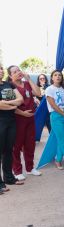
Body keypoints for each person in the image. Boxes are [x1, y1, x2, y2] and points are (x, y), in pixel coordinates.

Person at [8, 65, 42, 180]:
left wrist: (29, 79)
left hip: (30, 119)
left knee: (30, 144)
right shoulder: (10, 87)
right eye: (15, 71)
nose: (18, 72)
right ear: (10, 75)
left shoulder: (27, 84)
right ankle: (17, 171)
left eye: (19, 70)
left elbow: (38, 93)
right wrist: (23, 113)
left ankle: (30, 168)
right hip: (18, 119)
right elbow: (9, 105)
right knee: (16, 146)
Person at [45, 70, 64, 172]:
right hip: (56, 115)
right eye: (55, 75)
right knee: (62, 140)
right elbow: (53, 104)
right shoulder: (49, 89)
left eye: (60, 75)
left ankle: (58, 160)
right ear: (52, 78)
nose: (58, 77)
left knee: (62, 140)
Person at [0, 65, 24, 193]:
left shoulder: (9, 84)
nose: (1, 71)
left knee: (8, 150)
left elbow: (20, 100)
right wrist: (11, 105)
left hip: (11, 122)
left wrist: (7, 104)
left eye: (1, 68)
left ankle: (9, 178)